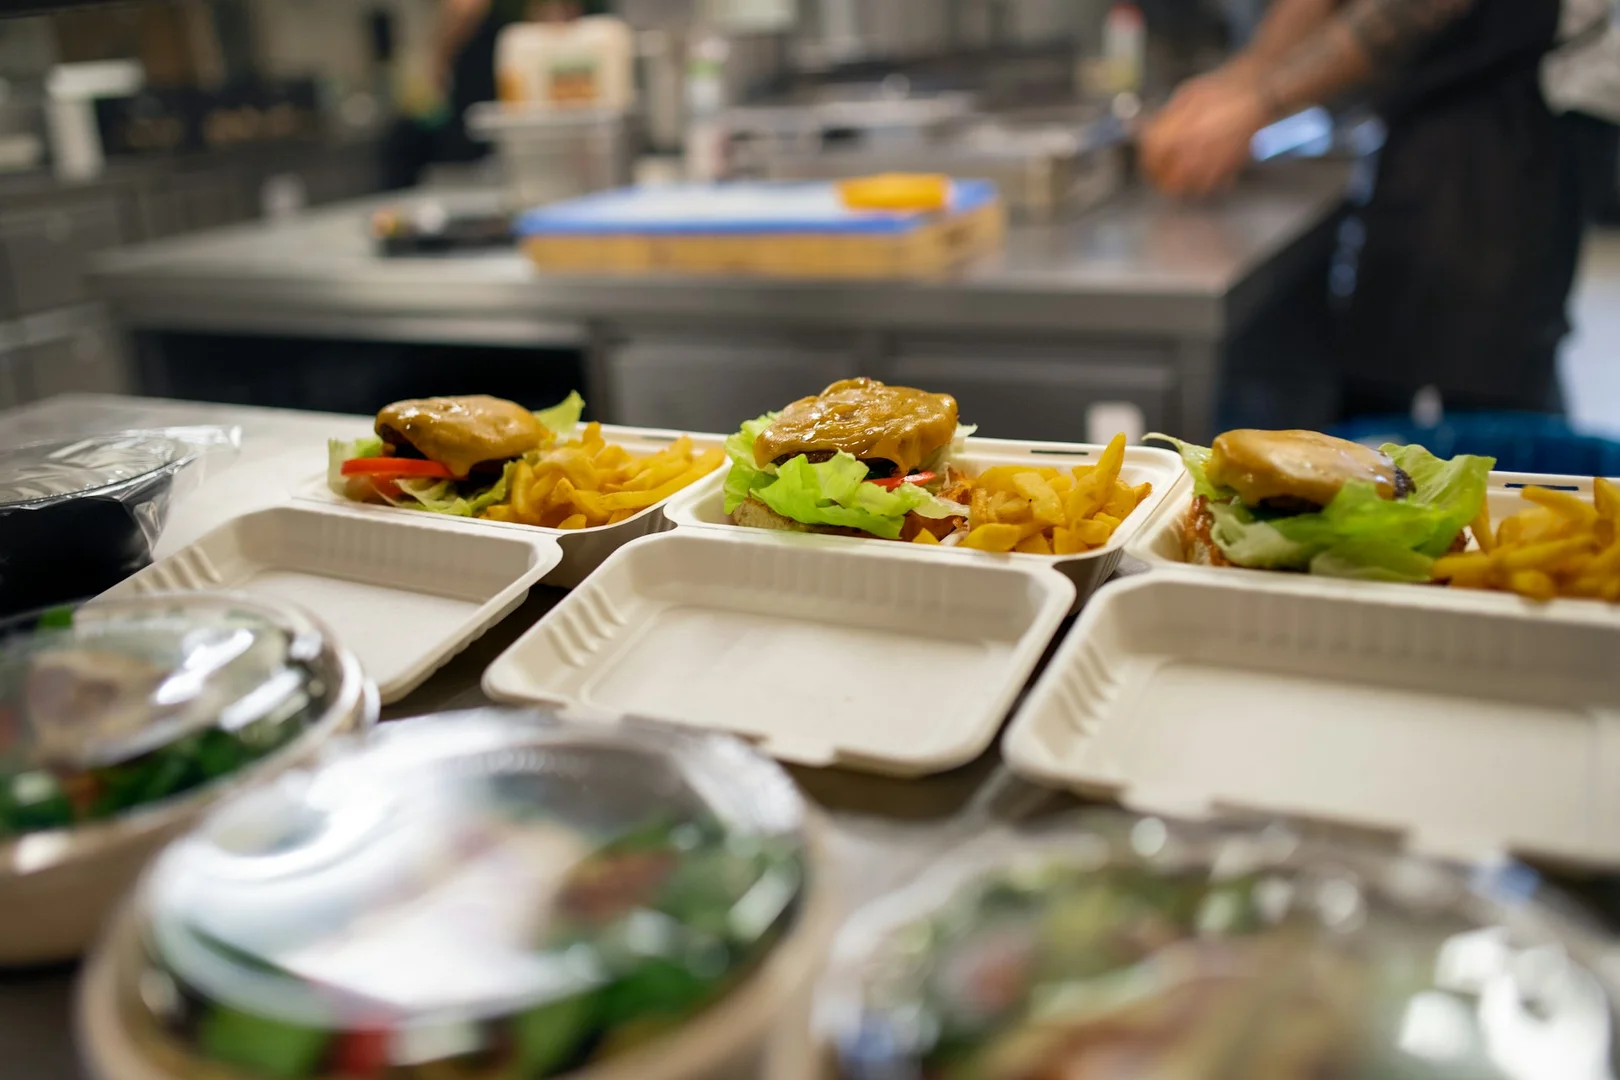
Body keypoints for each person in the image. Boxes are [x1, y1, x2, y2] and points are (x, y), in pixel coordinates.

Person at [1139, 0, 1578, 419]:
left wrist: (1262, 99)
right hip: (1423, 117)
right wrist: (1244, 77)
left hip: (1519, 112)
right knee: (1383, 348)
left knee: (1493, 359)